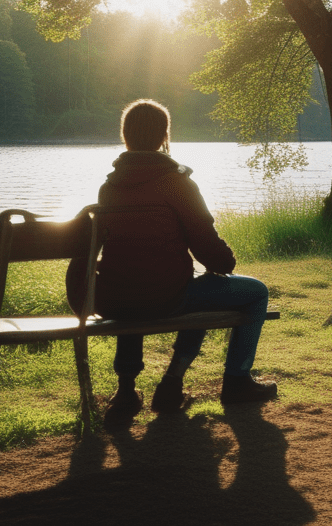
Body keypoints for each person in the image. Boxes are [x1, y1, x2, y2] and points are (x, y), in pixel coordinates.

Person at [97, 98, 276, 421]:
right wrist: (223, 264)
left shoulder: (109, 187)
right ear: (164, 136)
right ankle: (219, 380)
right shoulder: (177, 182)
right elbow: (210, 249)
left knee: (133, 286)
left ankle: (126, 391)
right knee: (254, 292)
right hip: (167, 297)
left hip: (114, 297)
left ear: (126, 136)